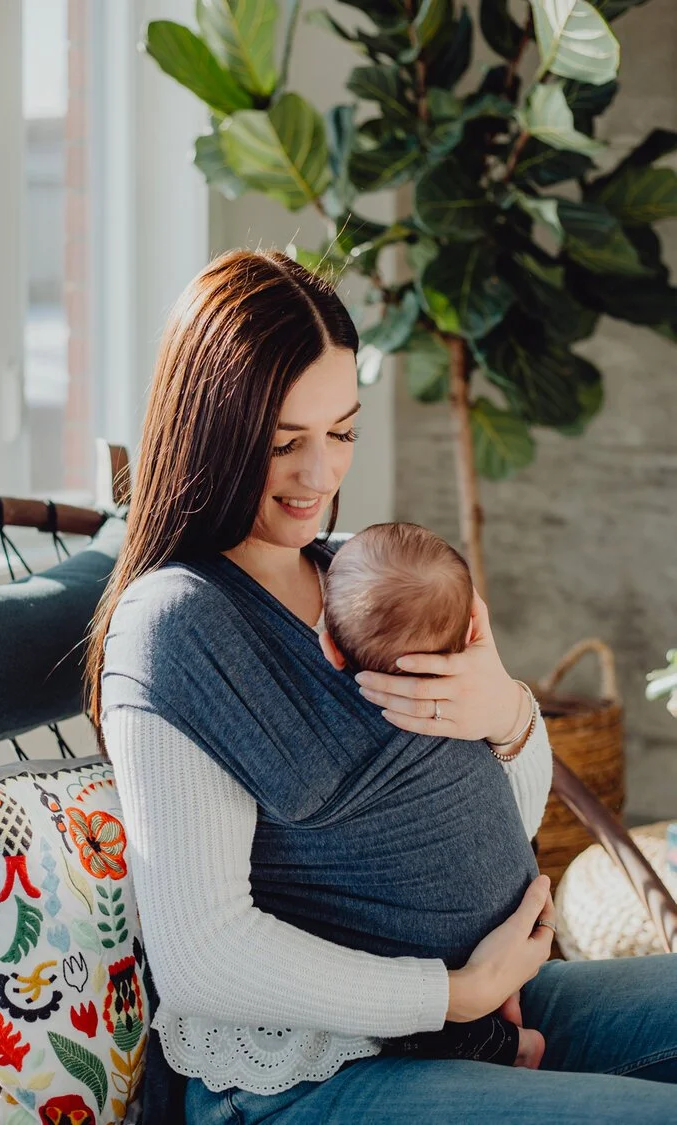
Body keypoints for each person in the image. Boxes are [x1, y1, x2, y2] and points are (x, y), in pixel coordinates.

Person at [87, 249, 677, 1124]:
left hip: (484, 1005)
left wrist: (507, 715)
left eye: (344, 431)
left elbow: (497, 822)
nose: (321, 476)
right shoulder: (179, 622)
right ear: (212, 428)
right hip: (307, 1071)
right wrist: (451, 993)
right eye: (286, 442)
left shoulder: (365, 577)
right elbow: (203, 953)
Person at [320, 520, 545, 1070]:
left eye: (343, 433)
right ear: (474, 632)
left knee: (426, 1019)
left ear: (329, 648)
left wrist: (511, 713)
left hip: (443, 962)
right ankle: (507, 1025)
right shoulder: (463, 710)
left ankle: (511, 1045)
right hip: (513, 916)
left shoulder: (331, 731)